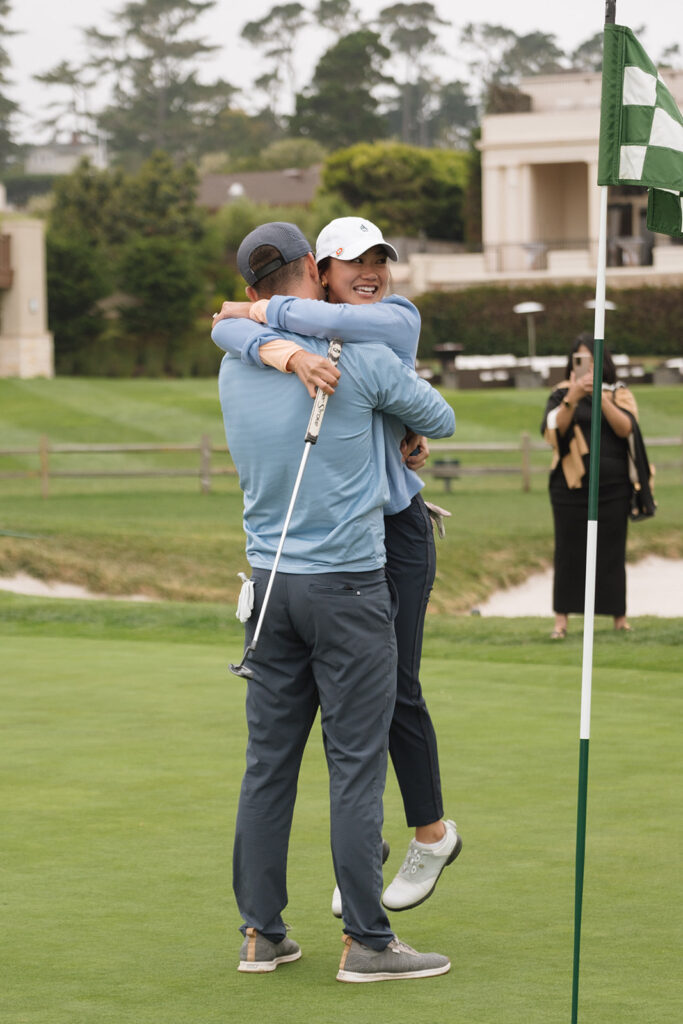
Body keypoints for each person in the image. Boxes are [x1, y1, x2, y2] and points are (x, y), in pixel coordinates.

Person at [218, 221, 455, 981]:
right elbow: (441, 421)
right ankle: (367, 943)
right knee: (353, 766)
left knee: (267, 768)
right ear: (312, 275)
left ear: (254, 289)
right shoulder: (359, 357)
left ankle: (261, 934)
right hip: (349, 588)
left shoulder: (236, 357)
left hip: (268, 586)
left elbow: (234, 333)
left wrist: (267, 336)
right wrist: (402, 428)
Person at [541, 333, 638, 639]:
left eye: (591, 362)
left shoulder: (618, 393)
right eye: (579, 361)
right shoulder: (561, 394)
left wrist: (598, 396)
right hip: (569, 488)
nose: (585, 368)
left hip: (613, 488)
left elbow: (627, 428)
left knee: (611, 553)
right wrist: (574, 395)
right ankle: (561, 621)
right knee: (568, 553)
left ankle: (619, 618)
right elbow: (553, 430)